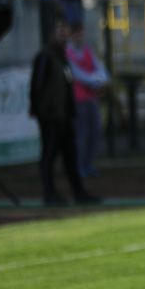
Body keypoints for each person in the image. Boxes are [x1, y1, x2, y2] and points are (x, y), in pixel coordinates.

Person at [29, 18, 99, 205]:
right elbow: (37, 86)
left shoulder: (62, 57)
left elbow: (67, 86)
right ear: (51, 33)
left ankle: (79, 192)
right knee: (49, 156)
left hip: (65, 116)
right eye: (59, 29)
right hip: (51, 116)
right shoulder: (45, 56)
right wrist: (41, 111)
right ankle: (49, 193)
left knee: (70, 156)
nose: (63, 33)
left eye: (65, 30)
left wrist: (70, 111)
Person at [65, 20, 109, 180]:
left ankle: (88, 164)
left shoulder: (87, 50)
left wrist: (102, 80)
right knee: (81, 134)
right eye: (76, 33)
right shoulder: (68, 53)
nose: (80, 36)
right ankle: (79, 166)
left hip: (91, 98)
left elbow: (100, 68)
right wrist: (97, 81)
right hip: (79, 99)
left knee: (95, 132)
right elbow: (78, 75)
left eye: (81, 33)